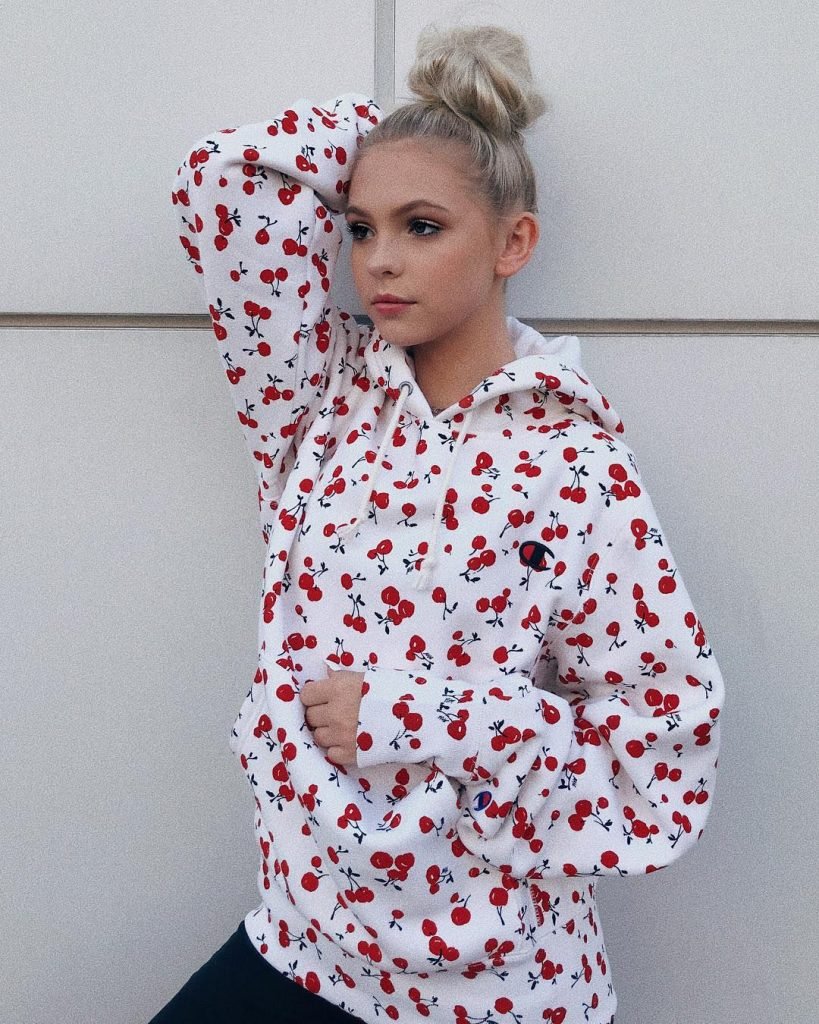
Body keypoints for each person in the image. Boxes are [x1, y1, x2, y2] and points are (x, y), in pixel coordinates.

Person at [161, 21, 725, 1024]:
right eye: (360, 228)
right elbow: (223, 180)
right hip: (305, 944)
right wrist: (414, 127)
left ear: (514, 243)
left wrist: (417, 715)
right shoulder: (317, 400)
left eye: (422, 226)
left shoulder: (575, 468)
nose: (379, 261)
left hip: (492, 989)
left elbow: (659, 763)